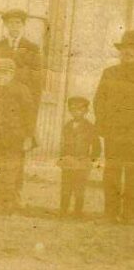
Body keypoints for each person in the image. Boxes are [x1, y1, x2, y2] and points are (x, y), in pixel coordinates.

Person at [94, 29, 134, 224]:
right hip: (114, 133)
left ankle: (130, 215)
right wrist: (102, 126)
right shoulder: (109, 73)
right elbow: (99, 101)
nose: (129, 52)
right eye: (126, 48)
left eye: (133, 49)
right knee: (112, 173)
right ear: (121, 51)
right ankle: (110, 214)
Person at [0, 58, 36, 213]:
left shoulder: (21, 90)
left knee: (12, 170)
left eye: (3, 73)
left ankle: (10, 204)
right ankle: (0, 201)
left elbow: (29, 115)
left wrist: (28, 137)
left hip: (16, 138)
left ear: (11, 74)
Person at [0, 8, 43, 125]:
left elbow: (37, 81)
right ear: (6, 25)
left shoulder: (32, 48)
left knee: (17, 138)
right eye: (11, 23)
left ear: (23, 25)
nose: (14, 26)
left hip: (21, 104)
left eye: (18, 23)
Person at [57, 96, 101, 219]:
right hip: (68, 161)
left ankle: (77, 212)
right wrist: (62, 158)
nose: (76, 112)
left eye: (80, 110)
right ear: (70, 111)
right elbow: (63, 144)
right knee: (66, 186)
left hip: (82, 162)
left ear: (86, 111)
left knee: (79, 188)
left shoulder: (90, 127)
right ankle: (63, 211)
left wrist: (94, 162)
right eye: (73, 110)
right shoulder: (67, 126)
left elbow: (96, 146)